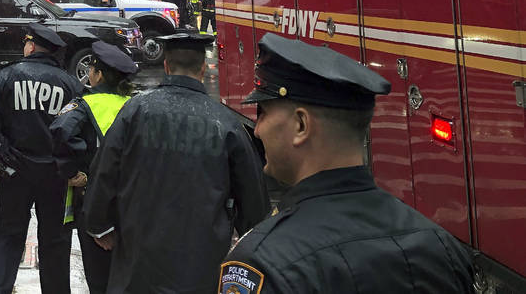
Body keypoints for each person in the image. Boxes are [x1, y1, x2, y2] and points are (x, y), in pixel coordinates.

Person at [218, 33, 475, 293]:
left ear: (301, 125)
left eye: (263, 112)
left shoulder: (260, 265)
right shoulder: (442, 247)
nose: (258, 129)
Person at [83, 31, 268, 294]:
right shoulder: (226, 123)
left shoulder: (135, 111)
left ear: (166, 66)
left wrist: (99, 224)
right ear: (203, 69)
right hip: (199, 269)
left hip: (137, 263)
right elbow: (253, 198)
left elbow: (104, 170)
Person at [0, 22, 84, 294]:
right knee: (55, 242)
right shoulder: (70, 83)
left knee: (8, 237)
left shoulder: (7, 77)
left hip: (14, 173)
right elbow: (79, 133)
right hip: (57, 177)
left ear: (31, 46)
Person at [50, 41, 137, 294]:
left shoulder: (84, 105)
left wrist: (72, 172)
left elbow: (60, 132)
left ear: (97, 75)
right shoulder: (134, 106)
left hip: (94, 203)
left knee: (99, 277)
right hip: (132, 203)